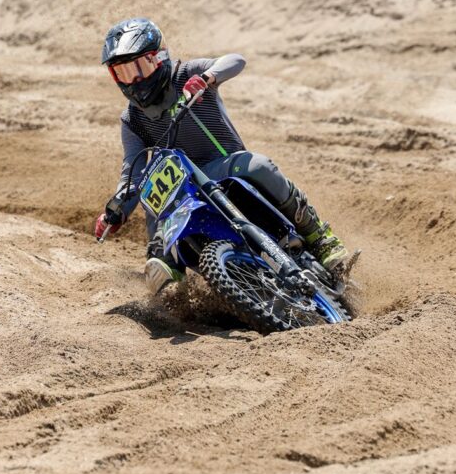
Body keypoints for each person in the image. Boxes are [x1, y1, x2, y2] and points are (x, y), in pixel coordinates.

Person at [95, 18, 350, 295]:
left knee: (260, 165)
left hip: (227, 170)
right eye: (122, 73)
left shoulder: (186, 74)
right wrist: (116, 211)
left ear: (160, 58)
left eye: (139, 68)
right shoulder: (132, 119)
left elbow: (235, 60)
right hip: (185, 194)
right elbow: (132, 174)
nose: (134, 80)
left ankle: (319, 237)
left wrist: (207, 78)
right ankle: (170, 283)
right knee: (153, 196)